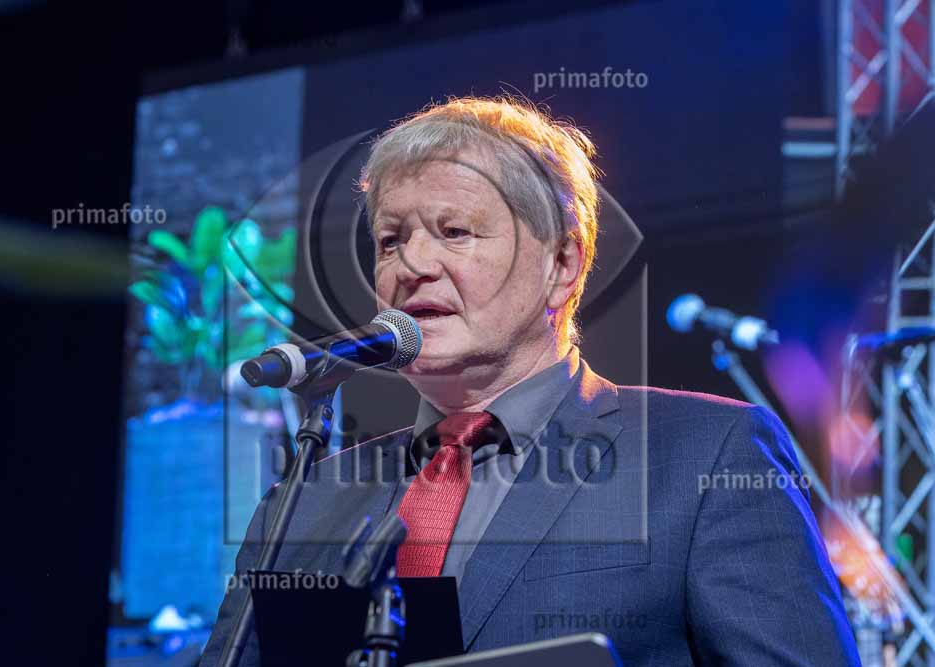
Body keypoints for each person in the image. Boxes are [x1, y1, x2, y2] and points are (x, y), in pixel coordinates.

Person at [200, 96, 859, 666]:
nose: (412, 264)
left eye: (453, 231)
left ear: (561, 265)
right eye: (392, 240)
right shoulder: (305, 502)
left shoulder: (706, 454)